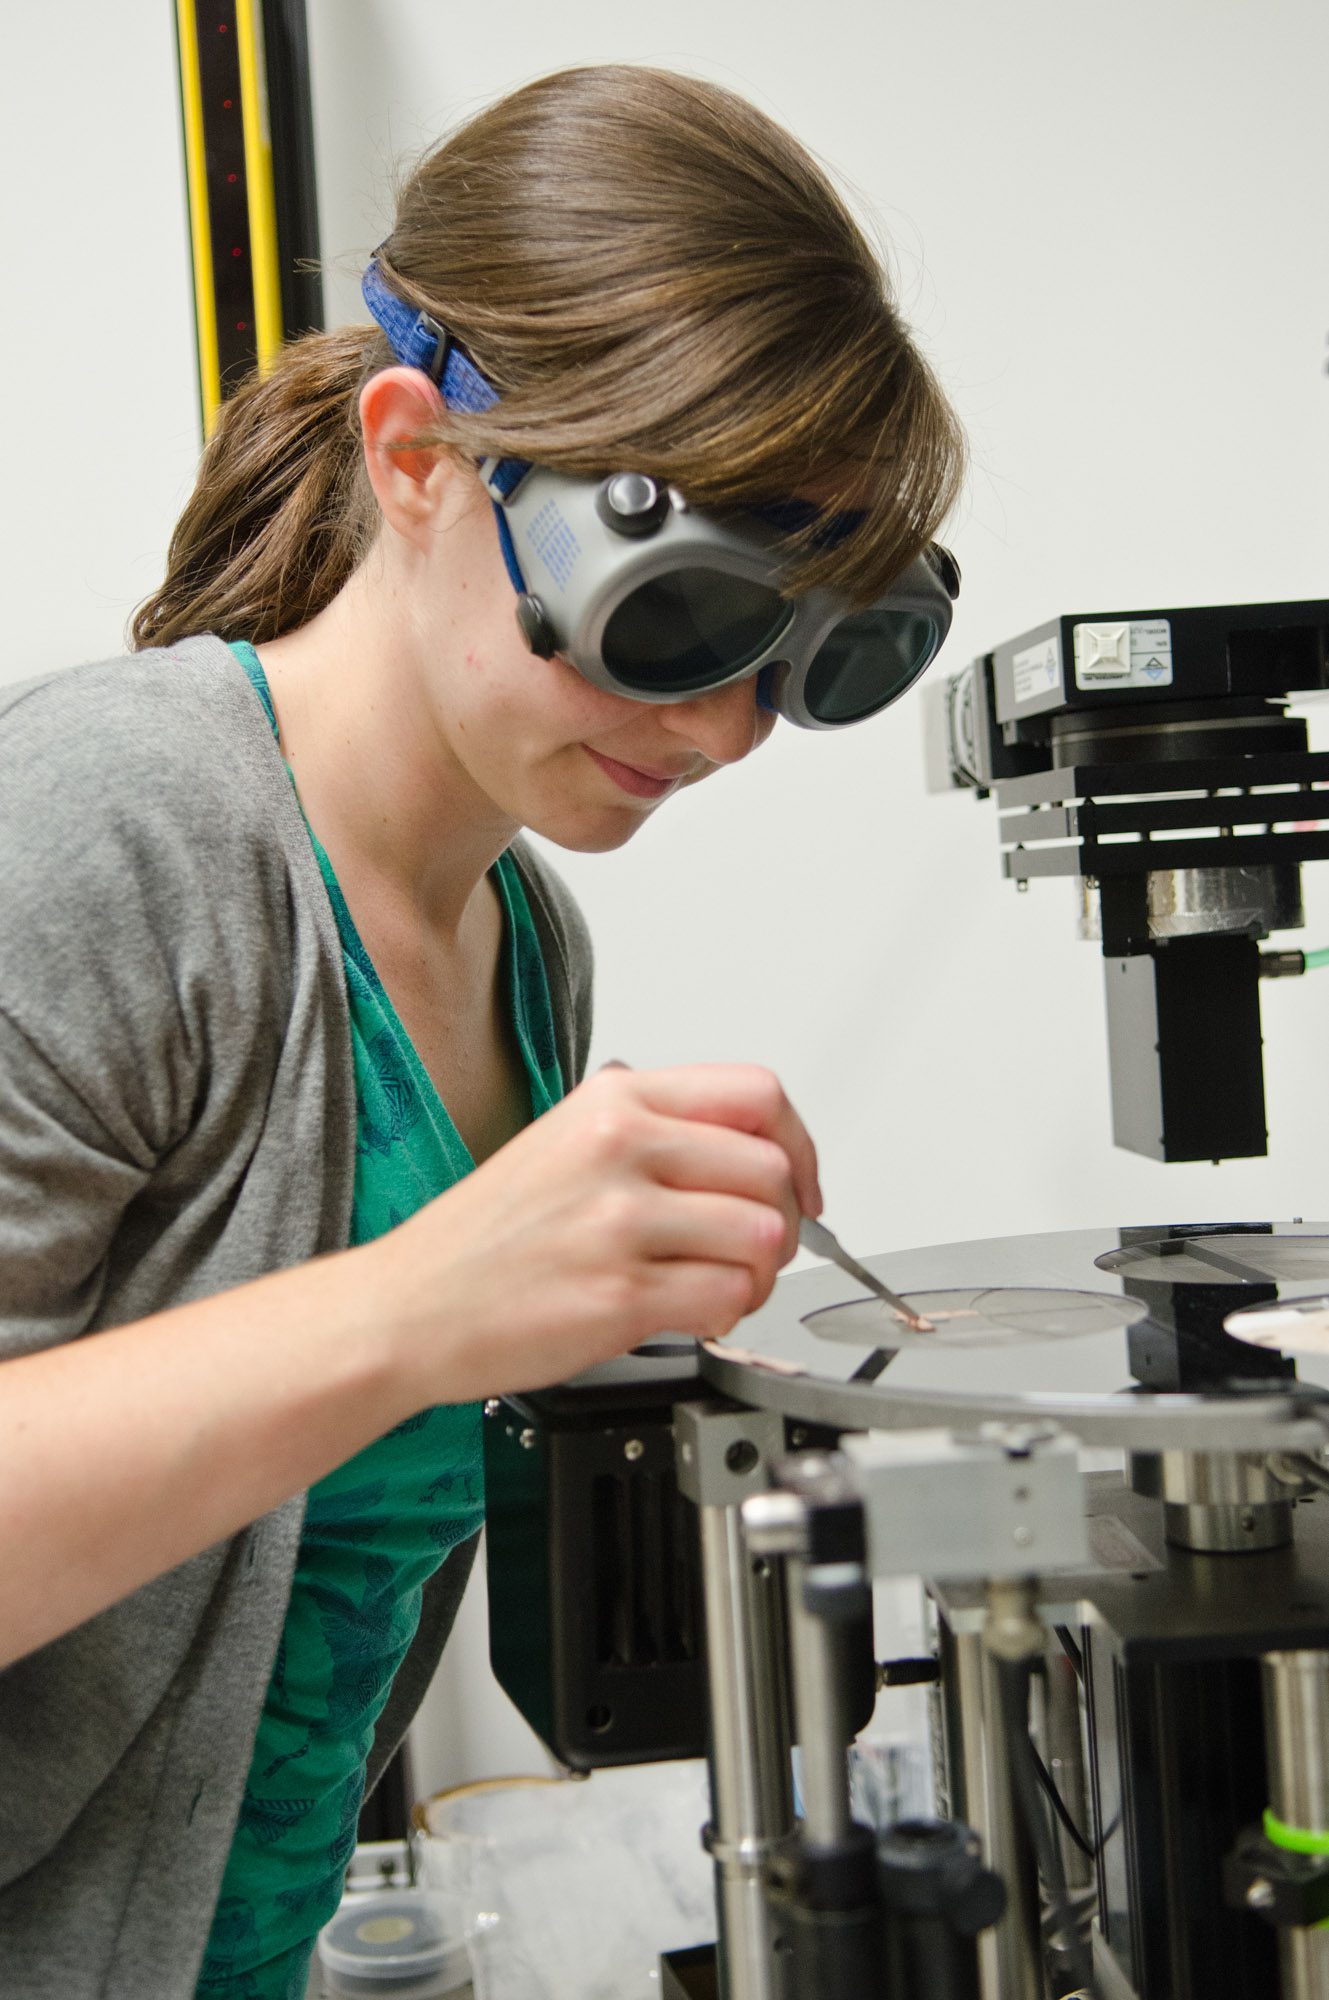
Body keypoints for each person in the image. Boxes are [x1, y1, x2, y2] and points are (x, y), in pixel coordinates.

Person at [0, 63, 964, 2000]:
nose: (720, 732)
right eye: (674, 616)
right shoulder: (110, 825)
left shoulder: (527, 943)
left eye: (800, 658)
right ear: (418, 458)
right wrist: (426, 1303)